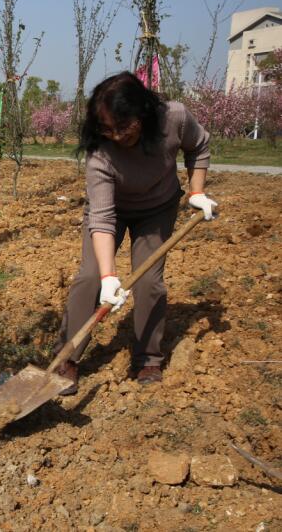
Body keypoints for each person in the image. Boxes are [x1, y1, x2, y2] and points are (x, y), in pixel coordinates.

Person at [52, 71, 217, 394]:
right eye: (107, 129)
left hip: (157, 209)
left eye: (123, 126)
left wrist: (196, 191)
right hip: (112, 210)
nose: (116, 135)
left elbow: (199, 146)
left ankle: (148, 358)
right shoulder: (100, 153)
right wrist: (108, 276)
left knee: (149, 282)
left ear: (143, 112)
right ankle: (66, 357)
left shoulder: (174, 117)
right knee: (89, 277)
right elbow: (102, 217)